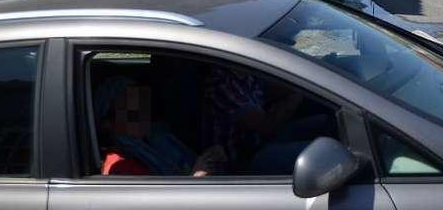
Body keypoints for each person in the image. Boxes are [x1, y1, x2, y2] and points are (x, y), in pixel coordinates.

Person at [202, 66, 331, 175]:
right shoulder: (223, 86)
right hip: (244, 160)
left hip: (261, 142)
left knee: (325, 122)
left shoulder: (245, 73)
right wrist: (294, 98)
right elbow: (268, 127)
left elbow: (272, 91)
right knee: (324, 155)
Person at [95, 77, 225, 176]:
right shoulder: (120, 165)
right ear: (108, 123)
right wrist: (197, 177)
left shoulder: (158, 138)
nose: (140, 112)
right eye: (129, 108)